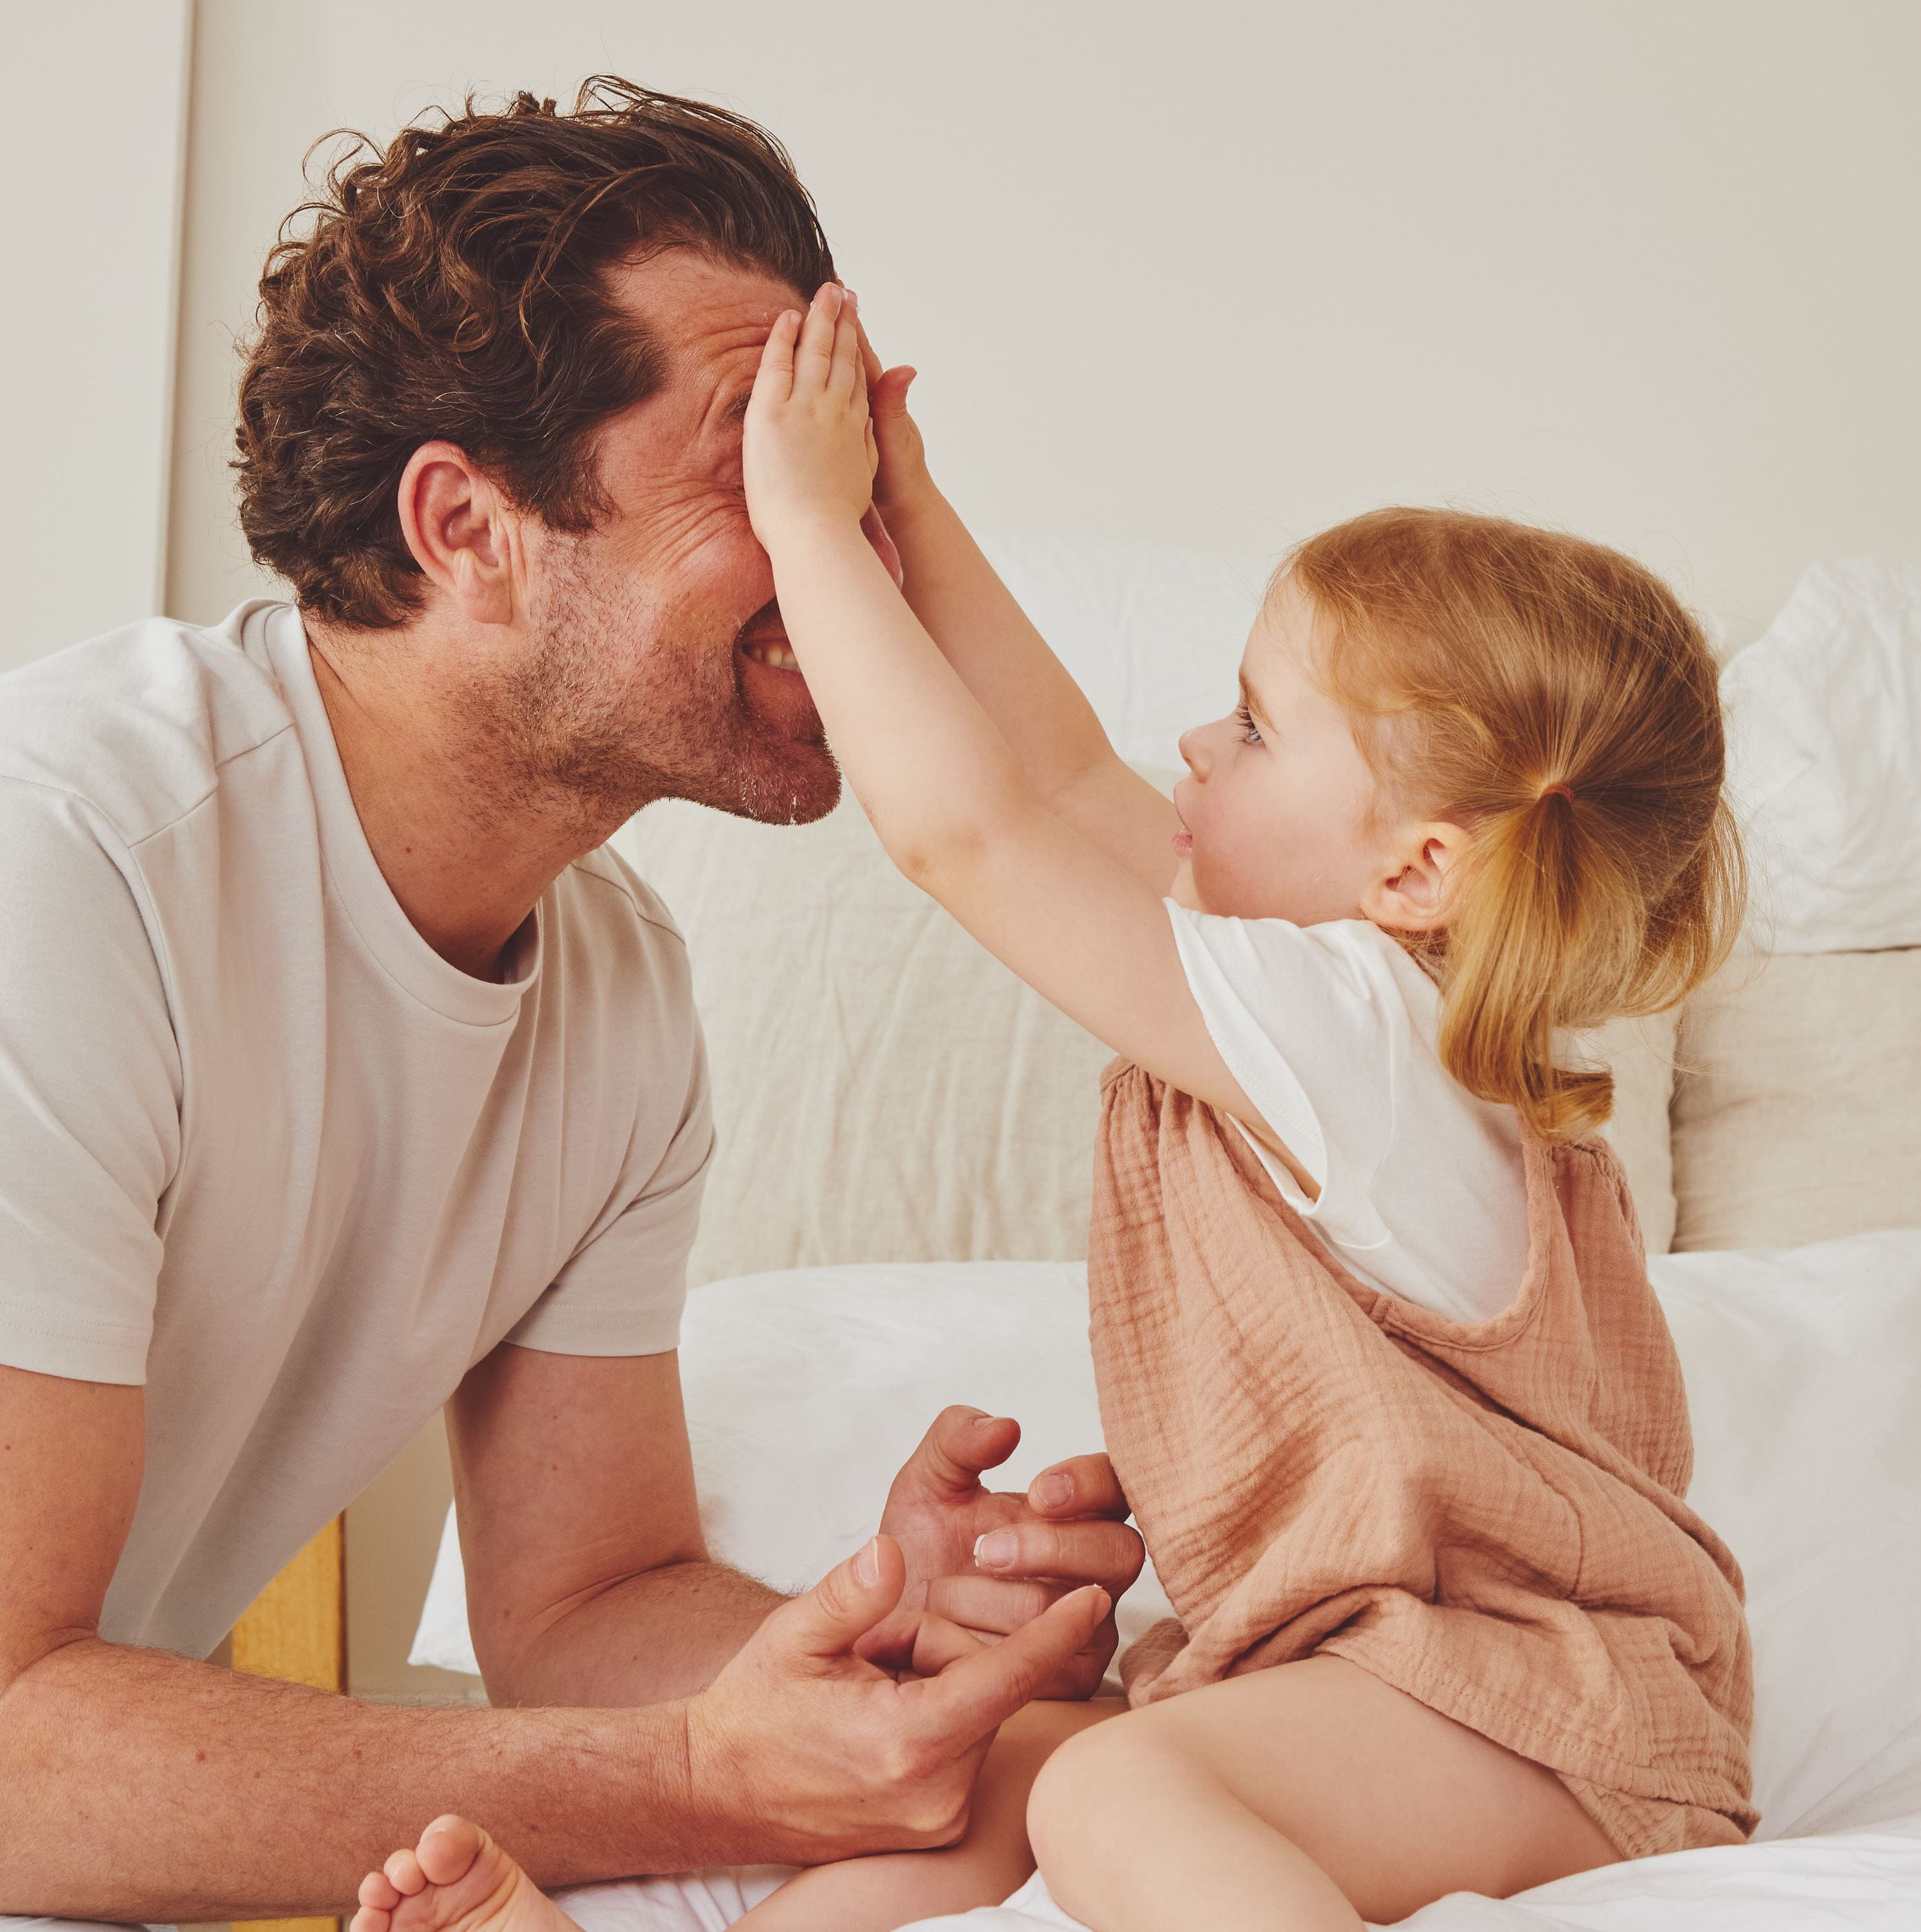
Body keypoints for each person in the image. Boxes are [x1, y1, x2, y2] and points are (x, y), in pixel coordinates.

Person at [354, 285, 1759, 1931]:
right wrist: (910, 517)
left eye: (1251, 725)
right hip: (1377, 1692)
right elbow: (1063, 779)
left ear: (1416, 868)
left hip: (1549, 1722)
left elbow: (977, 834)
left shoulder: (1355, 1032)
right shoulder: (1341, 1016)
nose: (1191, 745)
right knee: (985, 1774)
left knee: (1112, 1787)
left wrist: (806, 530)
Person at [0, 89, 1145, 1926]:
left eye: (835, 473)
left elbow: (583, 1609)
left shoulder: (612, 994)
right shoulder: (66, 865)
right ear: (468, 524)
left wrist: (867, 1646)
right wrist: (705, 1779)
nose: (842, 551)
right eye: (753, 472)